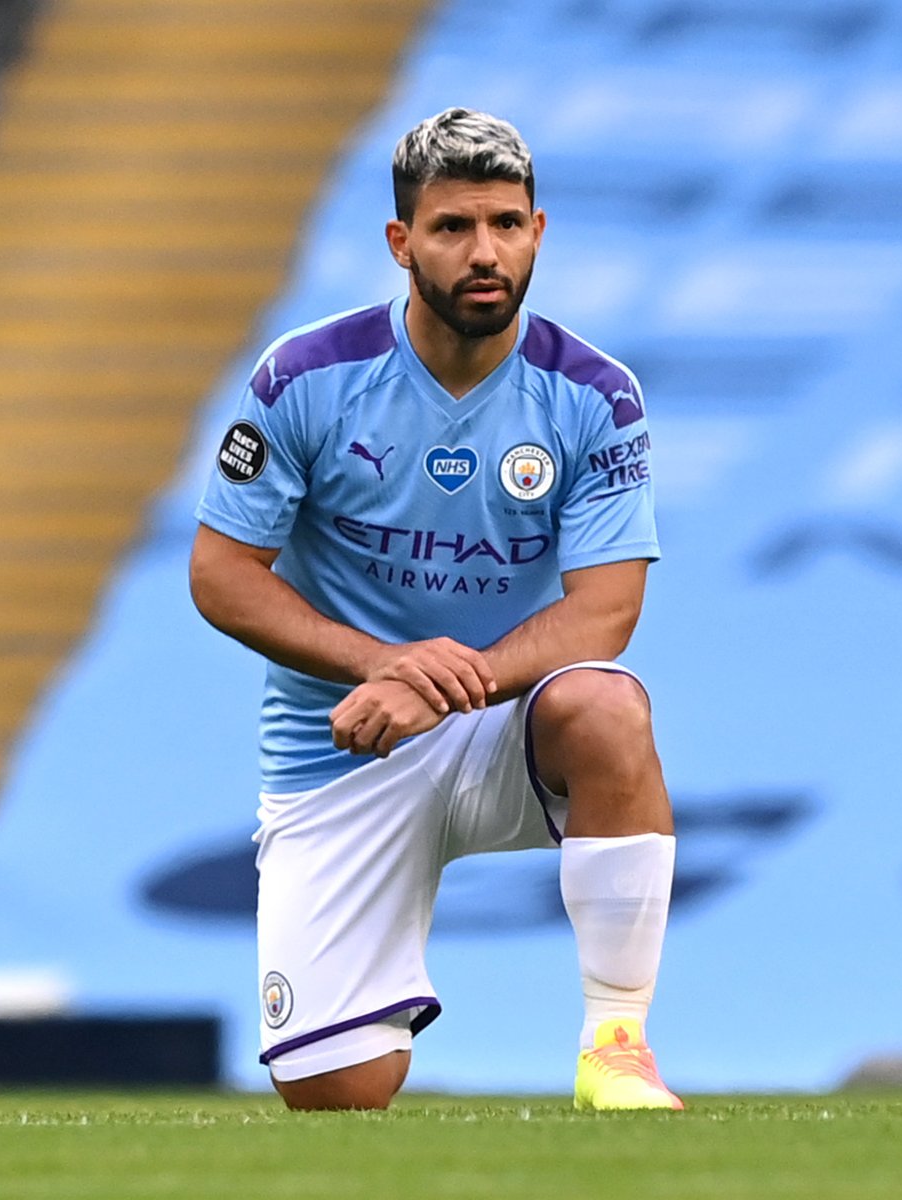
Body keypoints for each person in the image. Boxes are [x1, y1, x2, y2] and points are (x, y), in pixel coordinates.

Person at [190, 107, 681, 1112]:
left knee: (606, 706)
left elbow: (605, 611)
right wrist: (384, 667)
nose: (484, 251)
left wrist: (440, 687)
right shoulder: (305, 379)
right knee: (338, 1099)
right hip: (342, 744)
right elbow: (222, 573)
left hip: (495, 727)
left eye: (505, 223)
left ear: (539, 231)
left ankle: (617, 1045)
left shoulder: (594, 396)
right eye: (453, 228)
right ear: (400, 242)